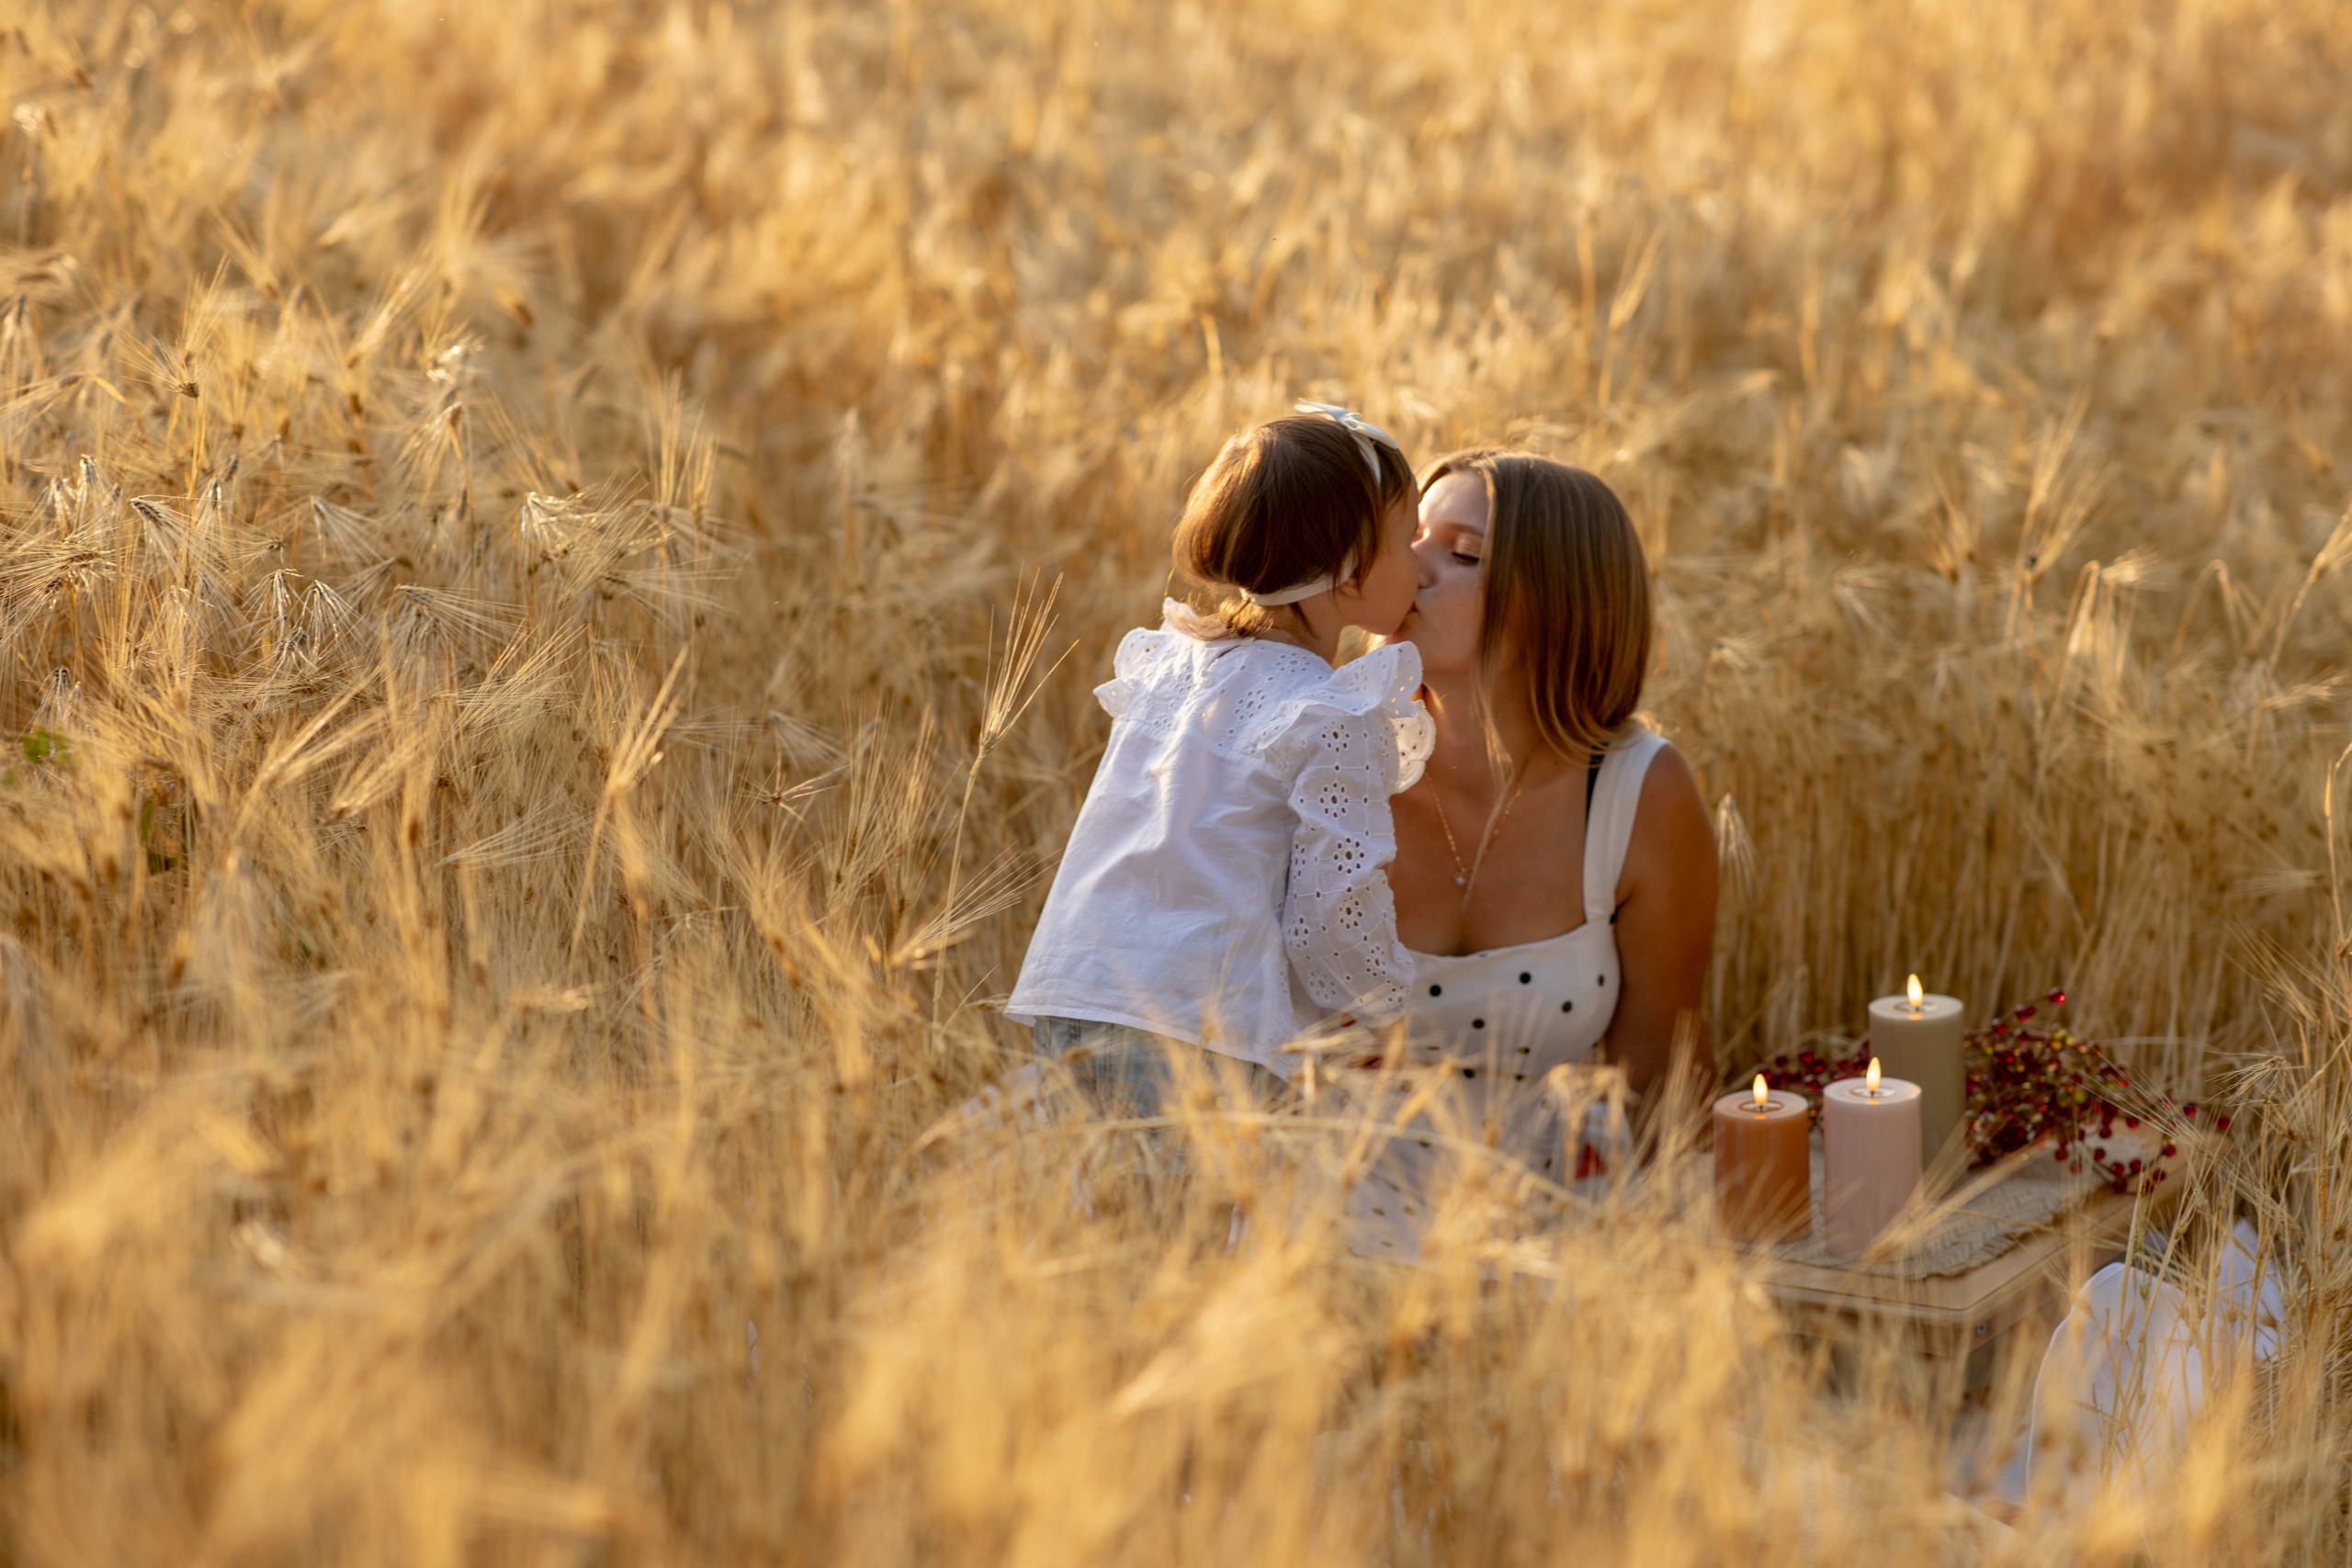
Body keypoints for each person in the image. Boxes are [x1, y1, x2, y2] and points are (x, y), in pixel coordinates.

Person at [1004, 404, 1433, 1131]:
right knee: (1192, 1233)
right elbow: (1331, 912)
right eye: (1407, 539)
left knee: (1100, 1220)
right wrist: (1381, 1015)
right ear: (1352, 573)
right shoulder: (1333, 713)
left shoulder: (1175, 667)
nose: (1422, 564)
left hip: (1076, 990)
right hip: (1200, 1026)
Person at [1341, 450, 1720, 1259]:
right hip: (1323, 1227)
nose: (1407, 565)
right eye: (1410, 538)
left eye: (1463, 552)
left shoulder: (1637, 795)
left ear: (1555, 603)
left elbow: (1659, 1087)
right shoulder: (1325, 763)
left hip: (1553, 1239)